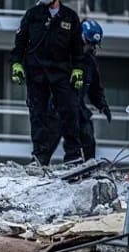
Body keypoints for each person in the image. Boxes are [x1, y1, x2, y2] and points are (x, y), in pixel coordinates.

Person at [10, 0, 85, 165]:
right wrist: (16, 64)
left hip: (61, 74)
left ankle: (73, 155)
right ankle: (40, 157)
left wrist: (78, 69)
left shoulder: (70, 17)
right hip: (36, 73)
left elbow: (77, 48)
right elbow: (19, 43)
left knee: (70, 111)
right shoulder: (33, 15)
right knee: (38, 115)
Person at [43, 19, 112, 161]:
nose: (90, 48)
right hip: (57, 105)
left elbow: (95, 87)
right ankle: (38, 165)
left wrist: (102, 104)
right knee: (48, 142)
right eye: (88, 43)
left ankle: (87, 166)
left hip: (77, 106)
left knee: (87, 138)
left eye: (93, 45)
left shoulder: (89, 62)